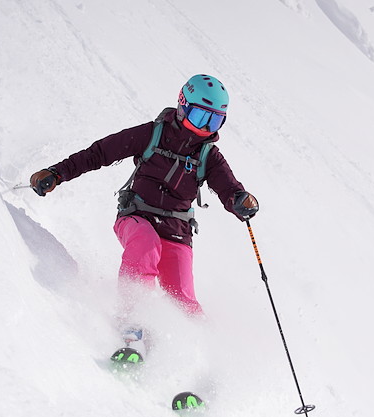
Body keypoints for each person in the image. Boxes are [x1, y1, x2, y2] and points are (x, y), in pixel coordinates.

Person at [29, 74, 258, 320]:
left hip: (177, 229)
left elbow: (229, 188)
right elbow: (99, 153)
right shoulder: (152, 134)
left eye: (214, 122)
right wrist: (57, 173)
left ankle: (200, 345)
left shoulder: (209, 156)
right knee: (146, 246)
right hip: (137, 215)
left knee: (182, 297)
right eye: (201, 117)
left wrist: (240, 201)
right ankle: (132, 321)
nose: (205, 128)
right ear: (183, 106)